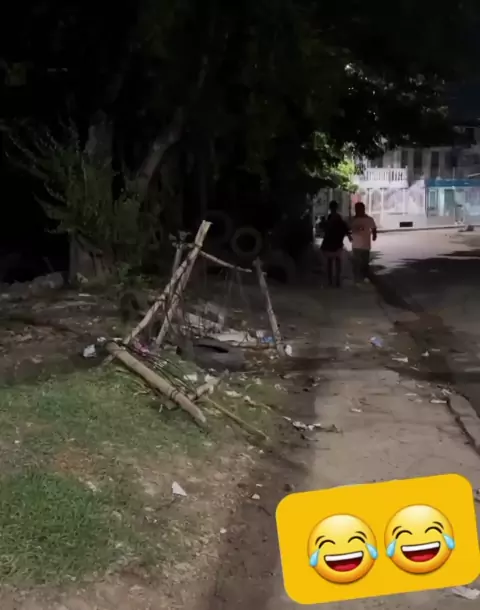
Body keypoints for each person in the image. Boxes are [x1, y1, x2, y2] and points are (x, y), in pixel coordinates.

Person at [320, 201, 351, 287]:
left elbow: (324, 228)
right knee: (337, 261)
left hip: (329, 243)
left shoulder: (330, 218)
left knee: (330, 262)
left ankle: (331, 280)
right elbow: (345, 227)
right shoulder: (338, 218)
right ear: (336, 208)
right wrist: (349, 236)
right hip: (337, 243)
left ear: (330, 208)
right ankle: (337, 280)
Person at [350, 201, 377, 284]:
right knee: (356, 263)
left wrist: (374, 235)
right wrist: (349, 236)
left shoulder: (369, 219)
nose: (358, 211)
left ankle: (364, 277)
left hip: (365, 245)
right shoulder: (353, 220)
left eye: (359, 209)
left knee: (365, 263)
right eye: (356, 209)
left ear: (363, 209)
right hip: (356, 245)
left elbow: (374, 228)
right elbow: (347, 228)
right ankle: (357, 278)